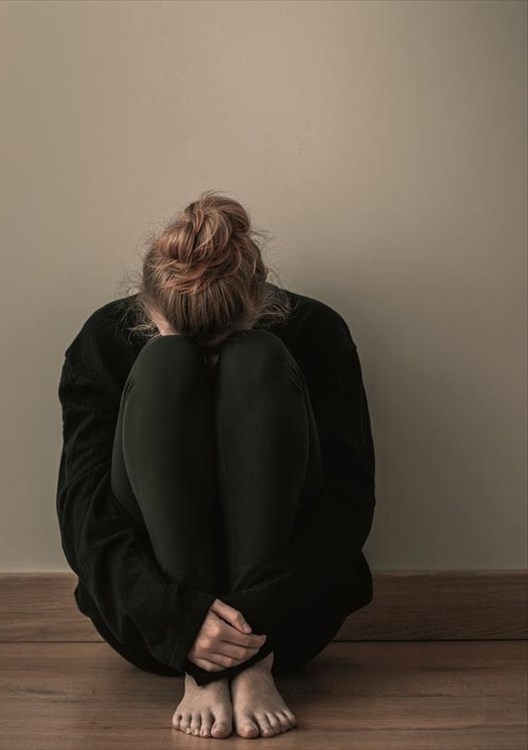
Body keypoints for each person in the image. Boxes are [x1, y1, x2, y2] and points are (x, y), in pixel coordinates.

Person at [55, 190, 376, 739]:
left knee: (257, 360)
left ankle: (251, 664)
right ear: (148, 309)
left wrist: (258, 629)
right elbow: (83, 512)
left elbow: (348, 502)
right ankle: (204, 665)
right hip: (153, 627)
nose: (207, 361)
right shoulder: (105, 340)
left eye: (221, 342)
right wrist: (182, 625)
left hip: (288, 625)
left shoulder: (315, 331)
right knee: (166, 366)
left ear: (260, 305)